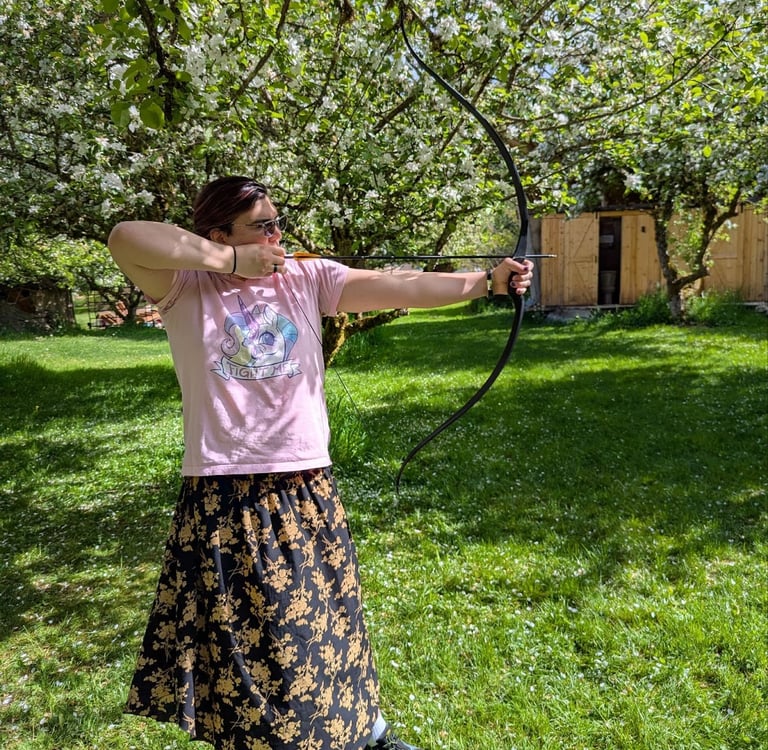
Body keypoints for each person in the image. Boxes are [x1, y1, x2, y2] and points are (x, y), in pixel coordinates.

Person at [108, 176, 533, 750]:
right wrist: (229, 262)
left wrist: (487, 282)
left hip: (308, 483)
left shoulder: (305, 278)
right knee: (267, 642)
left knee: (334, 618)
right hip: (229, 493)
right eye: (262, 226)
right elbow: (125, 237)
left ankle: (367, 731)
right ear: (218, 234)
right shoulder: (184, 285)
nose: (277, 235)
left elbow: (396, 284)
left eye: (277, 223)